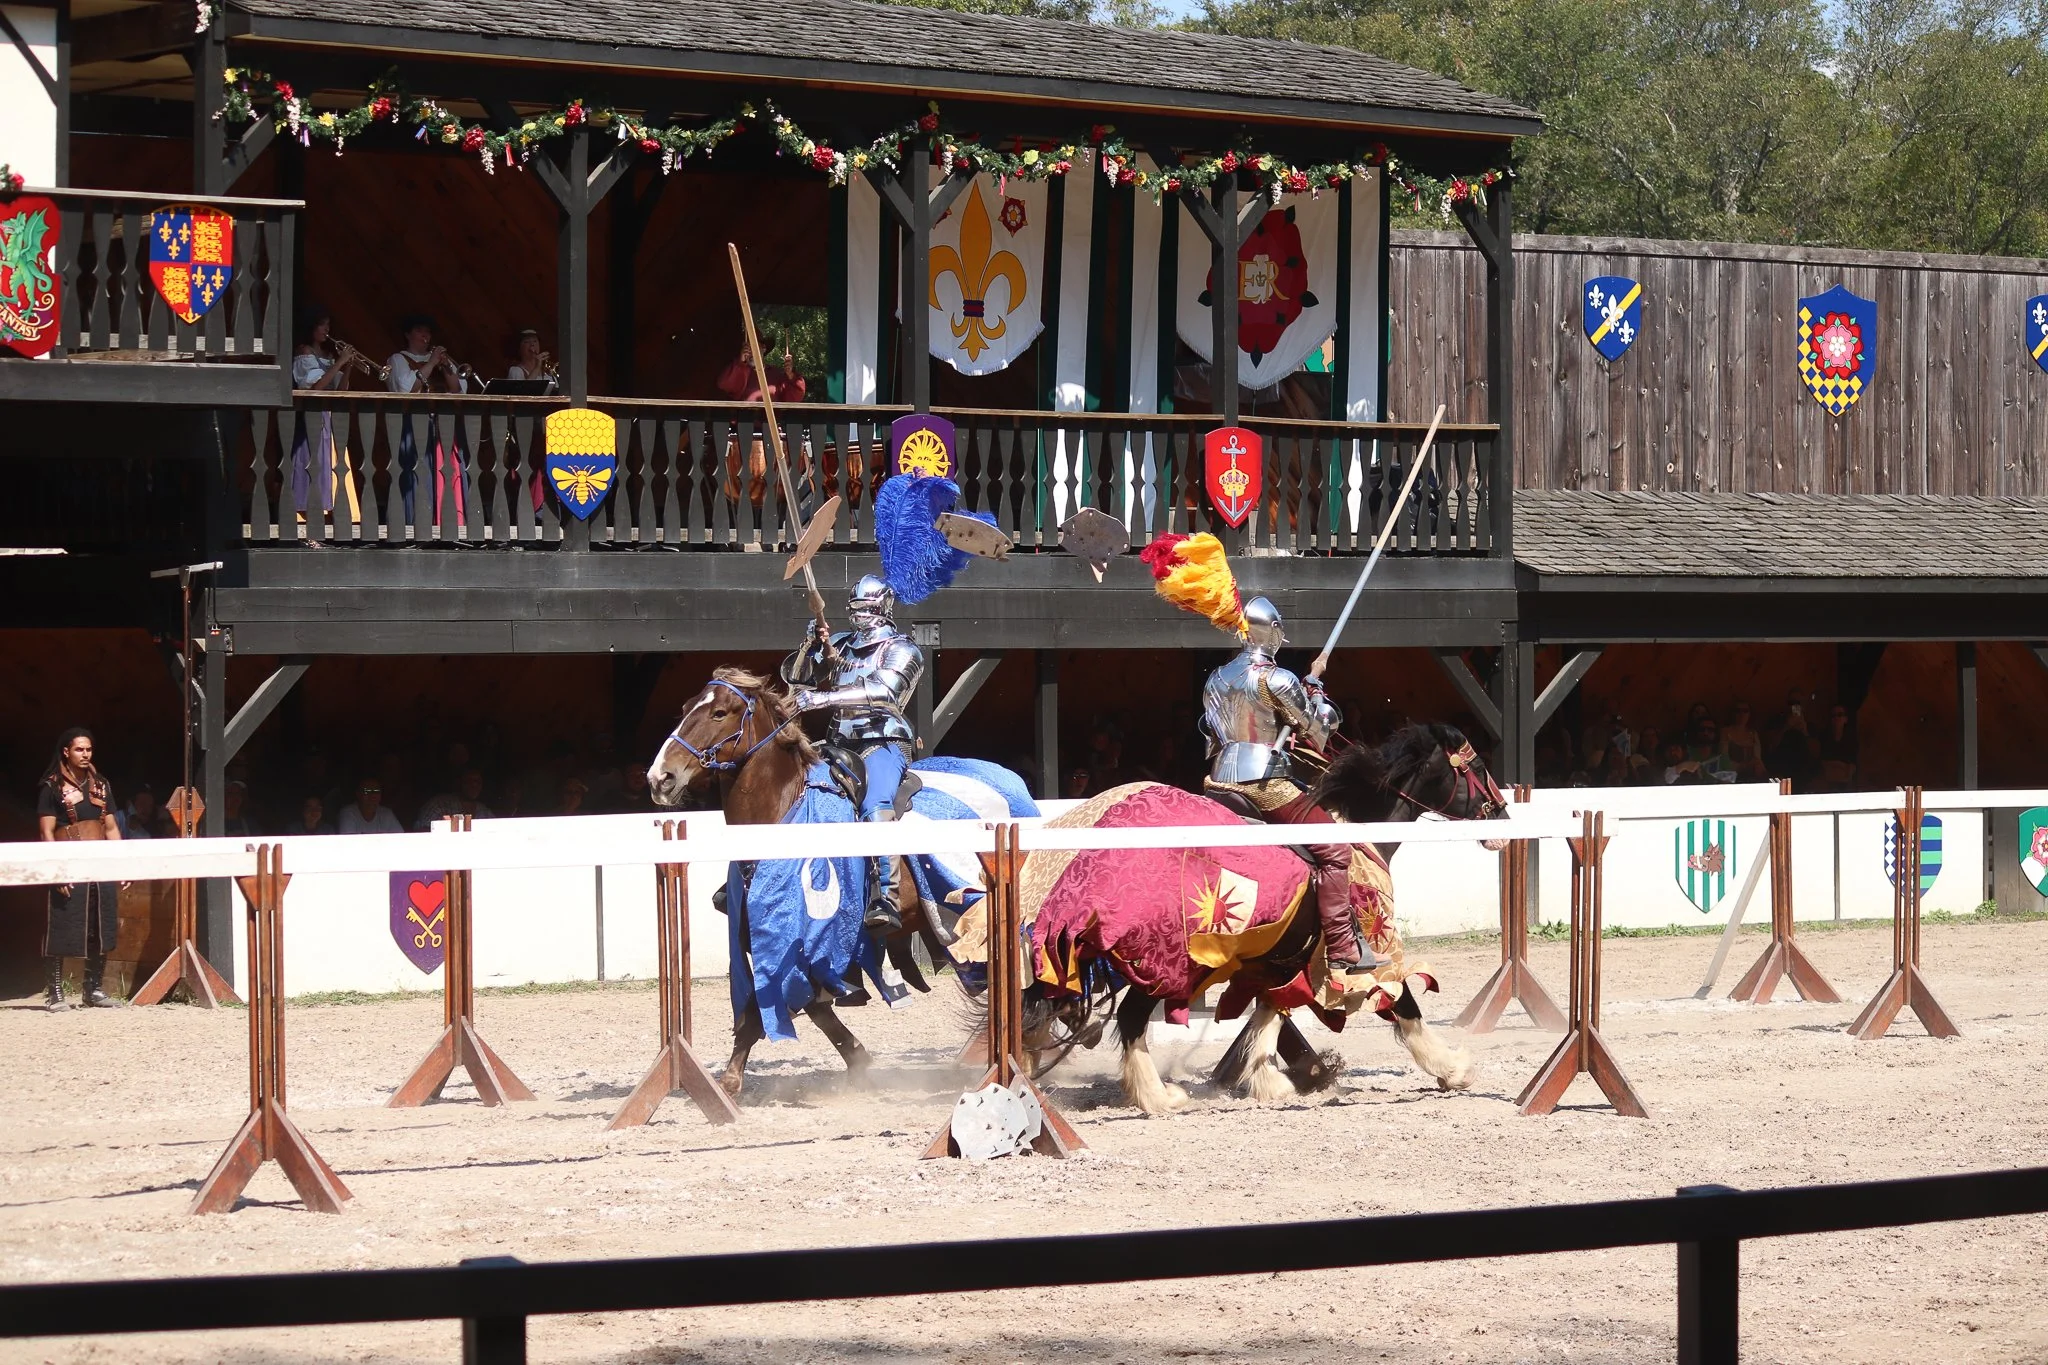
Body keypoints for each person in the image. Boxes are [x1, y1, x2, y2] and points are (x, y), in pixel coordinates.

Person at [1196, 596, 1375, 981]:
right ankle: (1343, 944)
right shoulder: (1275, 678)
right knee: (1336, 849)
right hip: (1265, 781)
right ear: (1271, 631)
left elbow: (1208, 734)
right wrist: (1317, 694)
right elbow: (1319, 730)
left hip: (1220, 777)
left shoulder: (1216, 678)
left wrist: (1307, 685)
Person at [784, 576, 923, 935]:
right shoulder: (842, 645)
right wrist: (810, 645)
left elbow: (883, 693)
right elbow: (798, 681)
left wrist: (825, 699)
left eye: (866, 608)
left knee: (876, 805)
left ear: (882, 608)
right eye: (855, 609)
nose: (859, 615)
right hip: (836, 742)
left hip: (881, 739)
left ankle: (886, 896)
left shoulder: (902, 649)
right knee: (789, 787)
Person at [35, 729, 122, 1010]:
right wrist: (56, 870)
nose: (85, 755)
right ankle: (55, 992)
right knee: (62, 924)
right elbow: (47, 832)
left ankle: (93, 990)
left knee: (101, 924)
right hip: (68, 861)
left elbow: (110, 827)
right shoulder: (51, 787)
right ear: (66, 752)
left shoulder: (102, 785)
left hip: (99, 862)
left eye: (88, 750)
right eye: (79, 750)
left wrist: (122, 864)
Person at [387, 314, 468, 527]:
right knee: (417, 473)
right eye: (419, 331)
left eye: (428, 332)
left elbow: (458, 391)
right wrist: (431, 363)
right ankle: (416, 523)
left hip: (443, 425)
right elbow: (406, 390)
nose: (425, 335)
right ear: (407, 334)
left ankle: (447, 521)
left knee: (445, 474)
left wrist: (446, 366)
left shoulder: (440, 360)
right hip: (413, 426)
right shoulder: (398, 359)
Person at [290, 310, 363, 527]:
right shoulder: (304, 352)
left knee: (330, 468)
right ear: (311, 327)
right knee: (311, 466)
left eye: (328, 325)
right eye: (322, 325)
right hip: (312, 416)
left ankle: (329, 522)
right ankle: (306, 522)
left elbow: (340, 389)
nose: (326, 330)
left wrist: (348, 366)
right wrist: (340, 362)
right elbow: (317, 387)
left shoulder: (329, 356)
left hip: (329, 418)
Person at [716, 333, 806, 404]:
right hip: (743, 425)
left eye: (754, 346)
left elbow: (795, 398)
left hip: (770, 426)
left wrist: (791, 375)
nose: (750, 351)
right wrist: (740, 363)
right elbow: (724, 385)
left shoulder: (776, 374)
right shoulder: (738, 370)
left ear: (763, 348)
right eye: (747, 348)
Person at [413, 769, 494, 831]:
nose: (474, 785)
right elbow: (421, 832)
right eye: (468, 781)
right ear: (459, 783)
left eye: (477, 781)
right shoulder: (439, 804)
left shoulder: (484, 811)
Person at [337, 778, 402, 835]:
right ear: (358, 794)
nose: (372, 796)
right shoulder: (348, 813)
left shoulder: (387, 814)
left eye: (376, 791)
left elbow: (401, 840)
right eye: (366, 791)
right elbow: (348, 844)